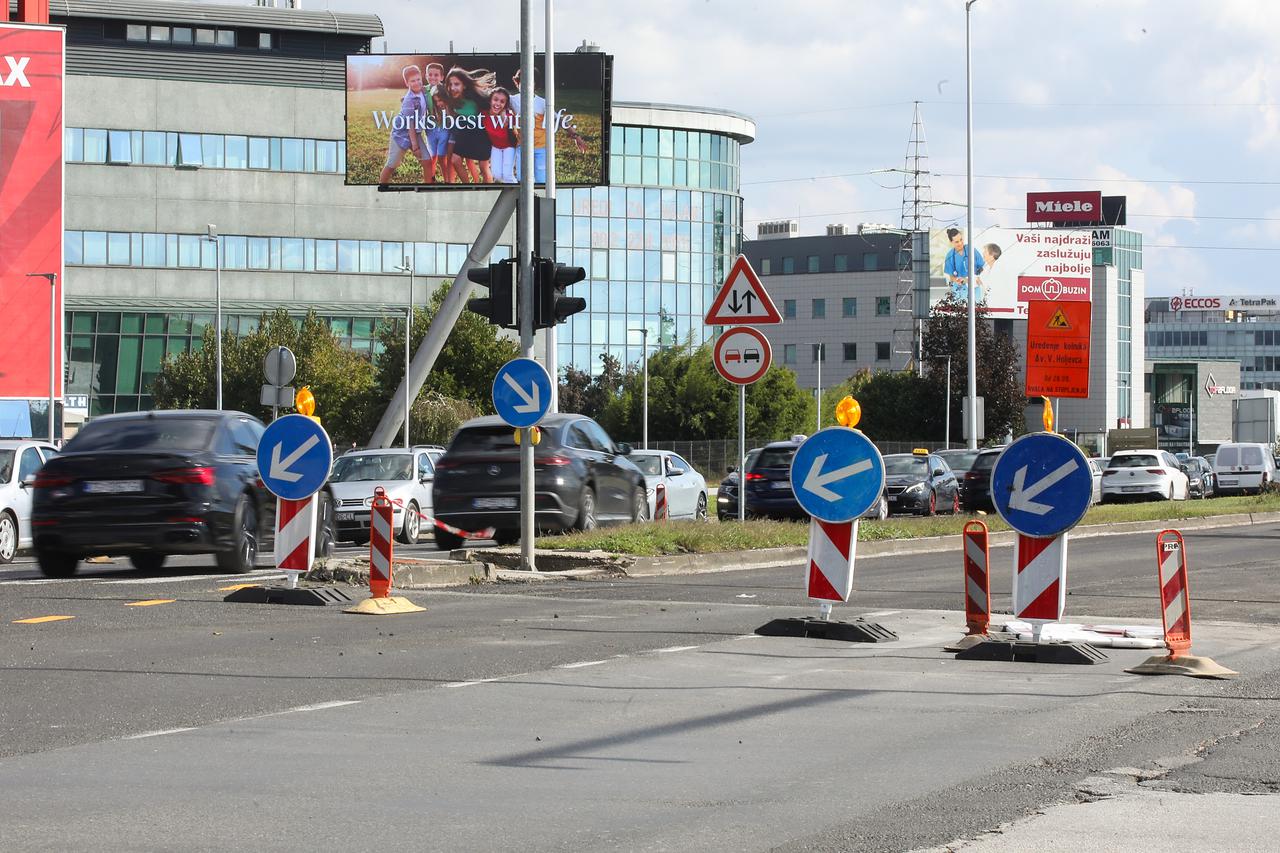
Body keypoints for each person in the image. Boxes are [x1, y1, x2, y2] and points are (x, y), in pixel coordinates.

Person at [510, 66, 587, 183]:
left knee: (541, 180)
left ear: (535, 84)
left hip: (540, 148)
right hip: (522, 147)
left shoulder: (542, 103)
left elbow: (559, 120)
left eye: (530, 82)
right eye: (522, 82)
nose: (526, 86)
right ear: (517, 83)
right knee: (522, 179)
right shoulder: (512, 100)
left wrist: (576, 136)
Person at [442, 66, 495, 184]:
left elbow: (496, 104)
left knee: (483, 166)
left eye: (456, 84)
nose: (452, 88)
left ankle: (489, 190)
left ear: (464, 85)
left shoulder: (477, 98)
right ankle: (469, 187)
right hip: (464, 134)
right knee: (455, 160)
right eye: (450, 84)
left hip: (481, 135)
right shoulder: (450, 100)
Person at [378, 65, 429, 185]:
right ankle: (382, 185)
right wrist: (415, 147)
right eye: (413, 81)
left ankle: (428, 186)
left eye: (418, 79)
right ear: (407, 83)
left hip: (415, 133)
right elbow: (409, 124)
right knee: (393, 163)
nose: (417, 83)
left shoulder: (423, 91)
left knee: (427, 161)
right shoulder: (408, 100)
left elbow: (432, 89)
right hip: (401, 133)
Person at [423, 62, 450, 183]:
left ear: (442, 77)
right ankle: (431, 179)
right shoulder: (424, 90)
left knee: (442, 157)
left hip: (444, 128)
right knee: (432, 156)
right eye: (430, 74)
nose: (433, 77)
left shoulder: (445, 90)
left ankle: (447, 180)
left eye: (436, 75)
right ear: (426, 76)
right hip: (430, 129)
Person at [486, 87, 520, 183]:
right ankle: (505, 187)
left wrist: (506, 113)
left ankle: (518, 192)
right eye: (495, 100)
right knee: (496, 174)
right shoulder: (484, 114)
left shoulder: (508, 117)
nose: (497, 104)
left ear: (505, 105)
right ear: (490, 101)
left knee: (507, 175)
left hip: (509, 146)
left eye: (502, 101)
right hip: (495, 147)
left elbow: (519, 128)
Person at [944, 227, 985, 301]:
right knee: (961, 309)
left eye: (961, 240)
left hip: (974, 287)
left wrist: (978, 277)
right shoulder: (949, 256)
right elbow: (951, 277)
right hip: (959, 289)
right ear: (951, 242)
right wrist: (959, 280)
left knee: (976, 309)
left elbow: (982, 267)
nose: (960, 243)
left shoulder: (971, 249)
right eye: (956, 242)